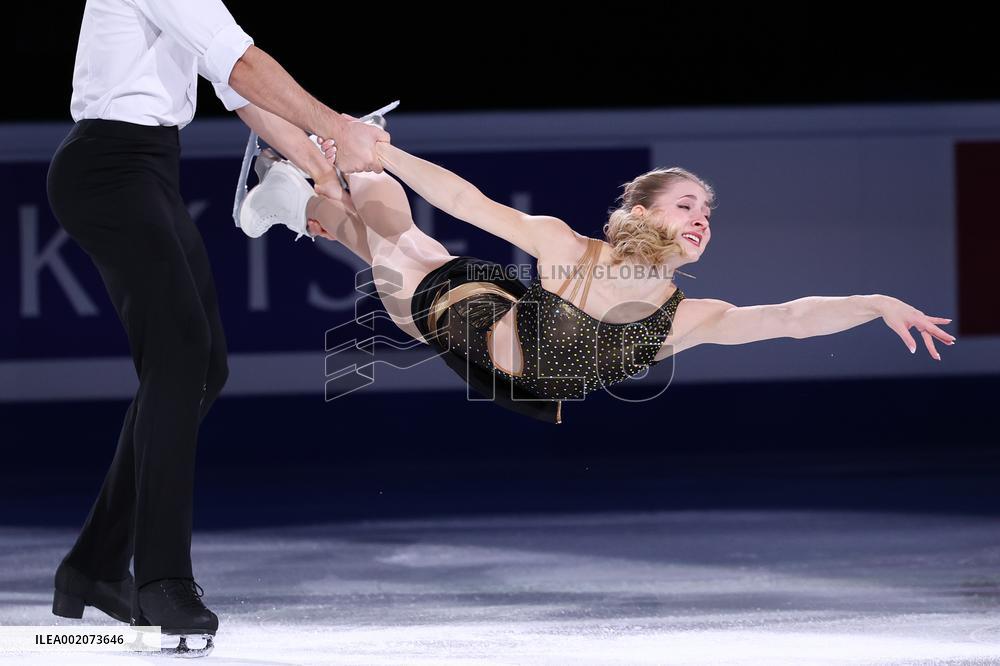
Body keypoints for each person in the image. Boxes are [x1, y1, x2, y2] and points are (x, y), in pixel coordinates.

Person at [45, 0, 385, 655]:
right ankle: (163, 580)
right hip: (107, 167)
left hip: (145, 168)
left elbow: (236, 88)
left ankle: (92, 566)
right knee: (179, 354)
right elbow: (242, 62)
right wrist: (337, 129)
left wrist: (321, 168)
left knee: (202, 366)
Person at [241, 138, 956, 426]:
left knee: (394, 241)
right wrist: (389, 154)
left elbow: (793, 317)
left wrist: (876, 303)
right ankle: (330, 175)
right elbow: (469, 204)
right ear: (641, 212)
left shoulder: (688, 317)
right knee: (398, 241)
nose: (702, 219)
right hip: (463, 314)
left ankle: (313, 190)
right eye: (687, 205)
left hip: (507, 356)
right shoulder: (569, 250)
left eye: (707, 213)